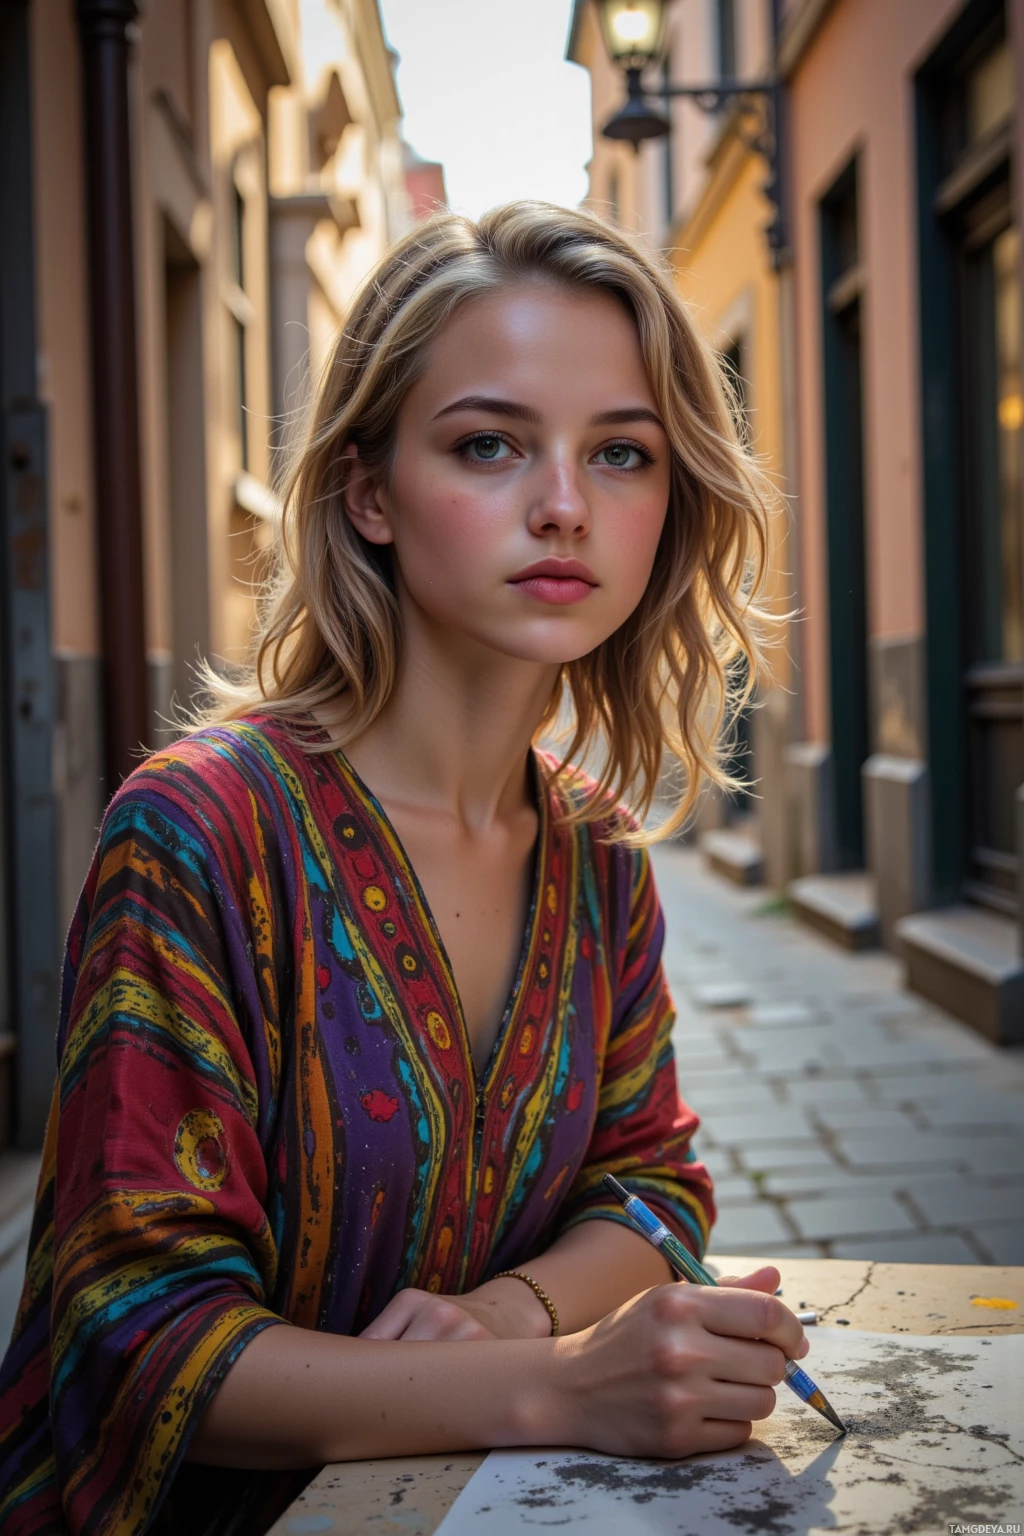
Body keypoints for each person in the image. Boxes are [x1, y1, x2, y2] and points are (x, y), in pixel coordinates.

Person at [0, 201, 807, 1536]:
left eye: (621, 452)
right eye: (489, 444)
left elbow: (653, 1187)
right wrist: (562, 1384)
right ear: (366, 492)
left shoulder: (600, 853)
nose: (564, 506)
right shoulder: (203, 830)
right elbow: (135, 1334)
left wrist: (505, 1315)